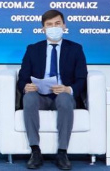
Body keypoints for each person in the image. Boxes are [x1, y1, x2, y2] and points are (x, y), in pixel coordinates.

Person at [17, 10, 87, 170]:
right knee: (29, 97)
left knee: (64, 97)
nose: (53, 27)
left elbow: (81, 79)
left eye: (57, 23)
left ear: (64, 26)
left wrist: (68, 89)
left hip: (63, 96)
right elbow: (22, 78)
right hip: (40, 95)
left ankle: (62, 152)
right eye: (49, 25)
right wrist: (26, 86)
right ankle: (35, 151)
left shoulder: (76, 49)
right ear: (43, 29)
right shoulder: (33, 49)